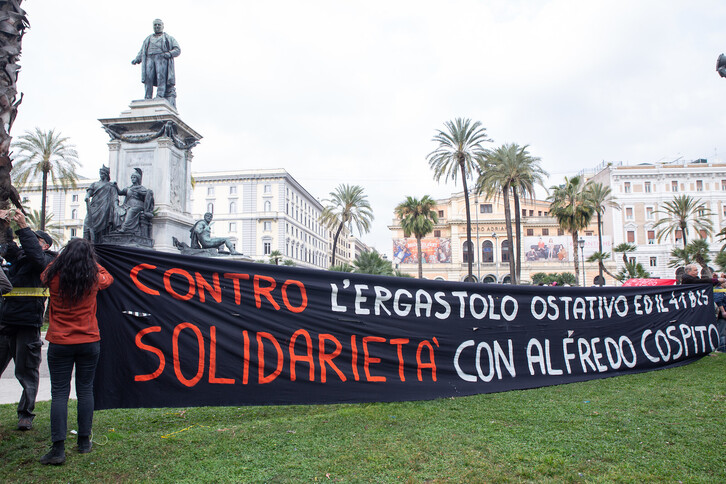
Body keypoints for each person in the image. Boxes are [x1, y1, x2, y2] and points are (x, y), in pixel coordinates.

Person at [39, 238, 113, 465]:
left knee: (59, 394)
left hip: (60, 341)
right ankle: (83, 442)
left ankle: (58, 449)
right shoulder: (93, 278)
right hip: (89, 340)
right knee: (85, 390)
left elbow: (44, 274)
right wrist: (92, 261)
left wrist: (62, 258)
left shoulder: (53, 277)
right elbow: (108, 278)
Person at [0, 209, 56, 431]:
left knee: (27, 371)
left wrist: (24, 227)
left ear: (46, 246)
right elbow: (10, 246)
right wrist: (5, 224)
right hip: (6, 321)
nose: (31, 242)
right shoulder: (21, 257)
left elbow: (35, 256)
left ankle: (26, 414)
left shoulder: (48, 259)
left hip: (27, 324)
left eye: (37, 239)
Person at [131, 19, 181, 107]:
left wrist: (168, 54)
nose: (157, 26)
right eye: (155, 25)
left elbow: (177, 49)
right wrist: (137, 59)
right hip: (149, 58)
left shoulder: (168, 38)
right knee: (148, 78)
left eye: (159, 25)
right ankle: (148, 96)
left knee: (160, 77)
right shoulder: (148, 38)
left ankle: (160, 95)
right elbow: (142, 51)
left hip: (161, 58)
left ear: (162, 26)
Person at [83, 165, 119, 243]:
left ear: (106, 174)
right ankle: (85, 243)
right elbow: (89, 192)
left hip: (105, 207)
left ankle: (98, 243)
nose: (101, 175)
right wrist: (87, 196)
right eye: (100, 173)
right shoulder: (95, 184)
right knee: (87, 223)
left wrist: (116, 207)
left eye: (102, 173)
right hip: (94, 206)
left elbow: (115, 197)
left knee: (103, 227)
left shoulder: (111, 185)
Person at [116, 168, 154, 237]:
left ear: (138, 179)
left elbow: (148, 195)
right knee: (117, 211)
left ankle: (124, 228)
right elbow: (120, 192)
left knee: (131, 211)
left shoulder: (141, 188)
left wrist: (142, 193)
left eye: (134, 177)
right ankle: (117, 228)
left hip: (138, 205)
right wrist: (115, 186)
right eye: (132, 177)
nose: (132, 179)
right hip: (128, 205)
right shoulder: (128, 188)